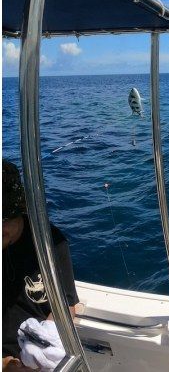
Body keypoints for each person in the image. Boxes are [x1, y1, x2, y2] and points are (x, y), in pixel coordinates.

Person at [2, 159, 78, 371]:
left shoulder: (48, 241)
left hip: (35, 356)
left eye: (3, 219)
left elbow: (66, 305)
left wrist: (49, 343)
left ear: (18, 211)